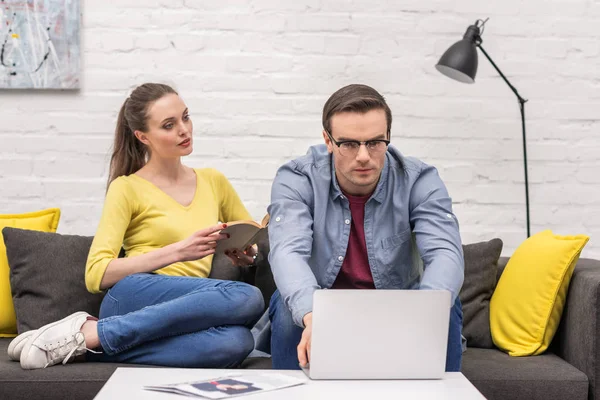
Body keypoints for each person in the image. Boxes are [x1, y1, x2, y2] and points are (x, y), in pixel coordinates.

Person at [7, 83, 264, 370]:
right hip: (134, 294)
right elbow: (96, 274)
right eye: (169, 125)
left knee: (237, 343)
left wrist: (249, 254)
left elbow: (250, 233)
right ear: (143, 136)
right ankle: (96, 331)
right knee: (247, 296)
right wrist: (178, 251)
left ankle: (89, 344)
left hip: (184, 304)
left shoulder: (214, 181)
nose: (184, 129)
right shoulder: (126, 188)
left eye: (186, 117)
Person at [267, 84, 465, 371]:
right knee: (289, 309)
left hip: (398, 304)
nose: (363, 156)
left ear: (388, 138)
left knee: (443, 305)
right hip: (325, 302)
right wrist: (312, 315)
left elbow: (446, 253)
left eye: (374, 143)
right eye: (348, 143)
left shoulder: (419, 180)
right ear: (328, 140)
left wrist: (423, 314)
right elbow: (287, 253)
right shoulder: (298, 178)